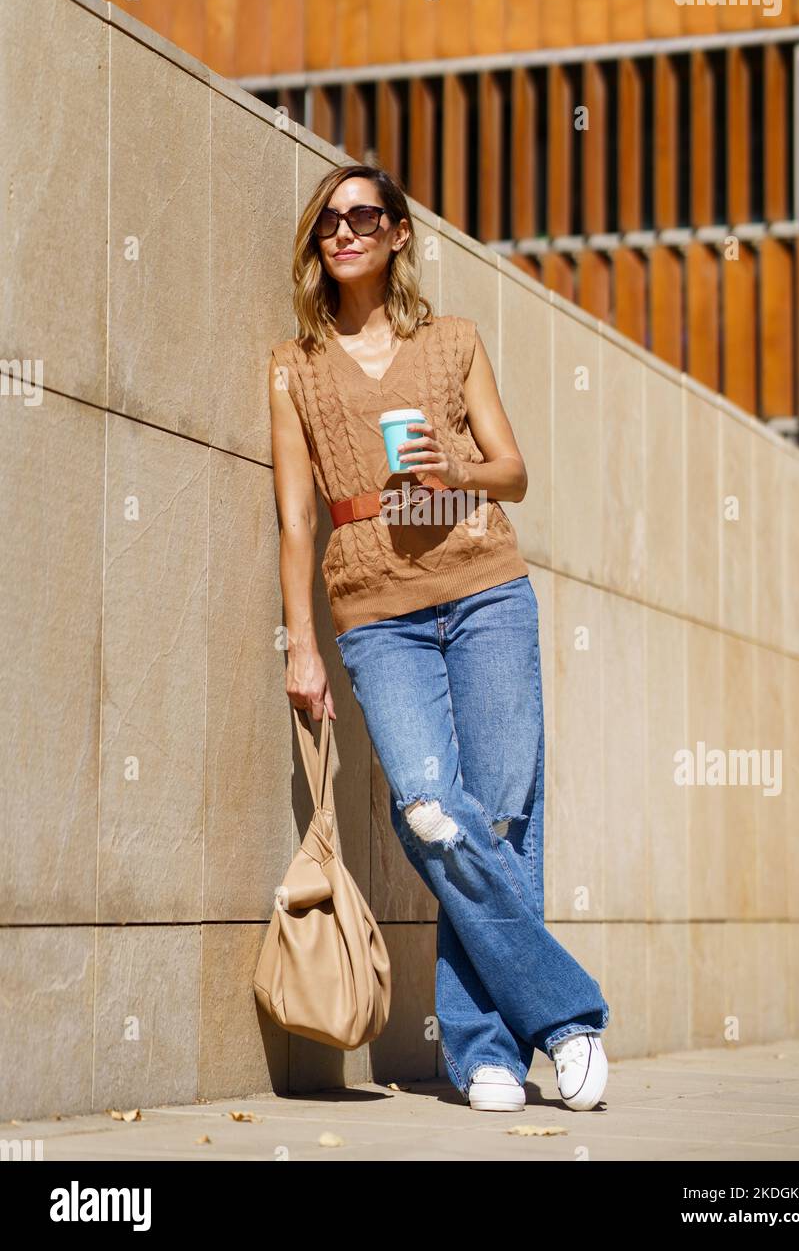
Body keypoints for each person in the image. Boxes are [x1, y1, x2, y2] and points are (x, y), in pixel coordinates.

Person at [268, 162, 609, 1113]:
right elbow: (298, 518)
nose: (345, 231)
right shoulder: (292, 365)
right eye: (329, 220)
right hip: (375, 613)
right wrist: (301, 642)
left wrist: (452, 465)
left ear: (398, 234)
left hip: (484, 588)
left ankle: (483, 1049)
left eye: (364, 215)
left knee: (499, 814)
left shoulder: (452, 341)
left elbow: (514, 474)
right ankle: (568, 1017)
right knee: (428, 805)